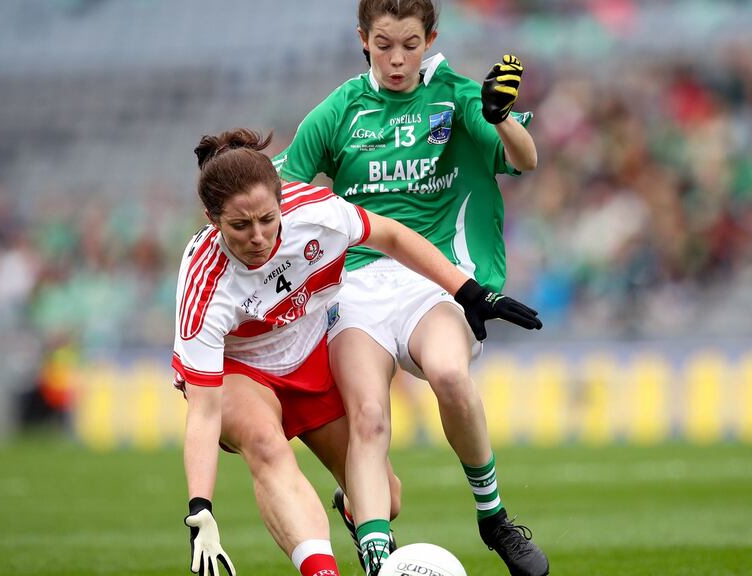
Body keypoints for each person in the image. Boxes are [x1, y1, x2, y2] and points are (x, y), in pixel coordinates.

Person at [174, 128, 542, 576]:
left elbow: (391, 236)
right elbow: (205, 412)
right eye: (240, 225)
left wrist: (465, 291)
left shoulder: (315, 212)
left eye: (268, 219)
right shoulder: (204, 284)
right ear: (212, 219)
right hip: (242, 371)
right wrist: (201, 511)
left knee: (386, 498)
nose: (258, 236)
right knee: (266, 444)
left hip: (309, 357)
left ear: (282, 200)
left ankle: (353, 512)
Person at [271, 1, 549, 574]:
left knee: (449, 374)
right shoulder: (339, 110)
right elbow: (281, 196)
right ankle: (378, 558)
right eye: (383, 44)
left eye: (410, 44)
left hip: (435, 279)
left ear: (432, 38)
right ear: (362, 39)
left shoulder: (457, 93)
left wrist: (499, 116)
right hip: (353, 288)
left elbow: (527, 158)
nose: (397, 59)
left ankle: (493, 517)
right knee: (369, 417)